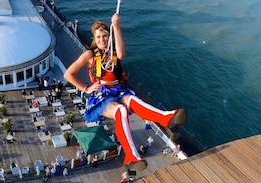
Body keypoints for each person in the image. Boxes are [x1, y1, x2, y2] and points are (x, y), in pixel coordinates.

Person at [64, 14, 187, 172]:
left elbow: (121, 55)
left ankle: (167, 118)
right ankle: (131, 156)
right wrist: (86, 88)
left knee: (134, 101)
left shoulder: (112, 52)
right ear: (94, 38)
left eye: (105, 36)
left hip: (118, 90)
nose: (102, 40)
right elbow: (68, 74)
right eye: (99, 37)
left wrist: (116, 26)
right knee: (121, 110)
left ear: (109, 37)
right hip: (101, 96)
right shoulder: (90, 55)